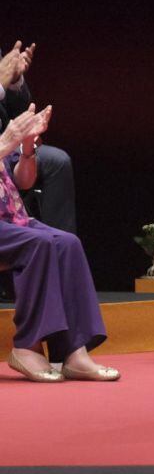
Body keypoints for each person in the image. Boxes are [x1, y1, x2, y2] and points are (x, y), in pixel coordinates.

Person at [0, 104, 118, 383]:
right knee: (38, 243)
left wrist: (27, 147)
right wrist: (5, 142)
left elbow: (24, 181)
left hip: (12, 221)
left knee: (67, 243)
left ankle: (74, 353)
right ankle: (27, 346)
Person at [0, 42, 77, 233]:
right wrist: (1, 83)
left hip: (9, 142)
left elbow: (22, 111)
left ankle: (59, 244)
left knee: (57, 161)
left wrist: (15, 80)